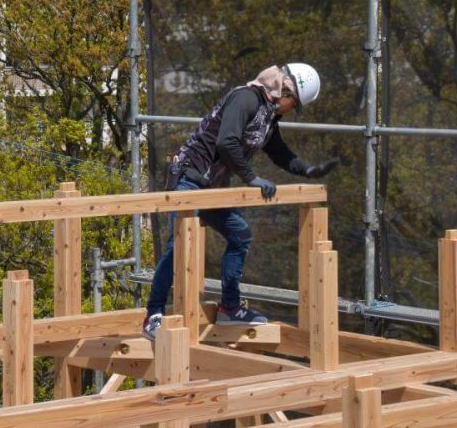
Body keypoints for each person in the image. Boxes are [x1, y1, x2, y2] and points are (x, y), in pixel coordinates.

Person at [143, 63, 338, 339]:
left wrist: (307, 170)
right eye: (294, 104)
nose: (291, 110)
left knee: (239, 234)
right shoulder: (245, 98)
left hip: (212, 186)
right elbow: (227, 142)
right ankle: (153, 314)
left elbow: (280, 152)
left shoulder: (268, 118)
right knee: (179, 245)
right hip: (188, 176)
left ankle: (230, 308)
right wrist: (252, 178)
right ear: (286, 91)